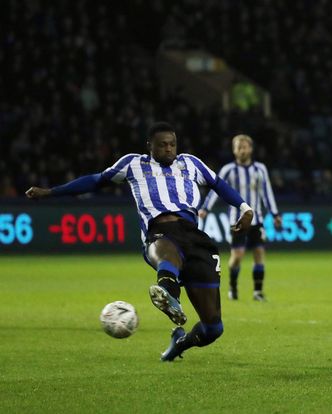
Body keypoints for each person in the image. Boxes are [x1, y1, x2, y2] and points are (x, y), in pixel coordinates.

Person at [25, 122, 254, 361]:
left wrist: (245, 208)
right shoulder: (133, 164)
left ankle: (179, 343)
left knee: (213, 328)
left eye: (172, 144)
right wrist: (51, 192)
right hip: (160, 230)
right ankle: (168, 294)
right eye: (162, 145)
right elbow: (95, 180)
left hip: (195, 236)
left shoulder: (191, 163)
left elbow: (219, 184)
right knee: (166, 251)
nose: (169, 149)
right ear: (150, 146)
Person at [199, 134, 281, 301]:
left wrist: (274, 214)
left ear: (251, 149)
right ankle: (232, 287)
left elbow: (267, 193)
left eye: (245, 147)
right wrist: (205, 208)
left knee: (259, 253)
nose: (242, 150)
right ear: (234, 151)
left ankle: (258, 292)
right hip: (237, 220)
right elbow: (217, 189)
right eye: (239, 147)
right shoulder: (228, 169)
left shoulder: (260, 169)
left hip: (257, 220)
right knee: (237, 257)